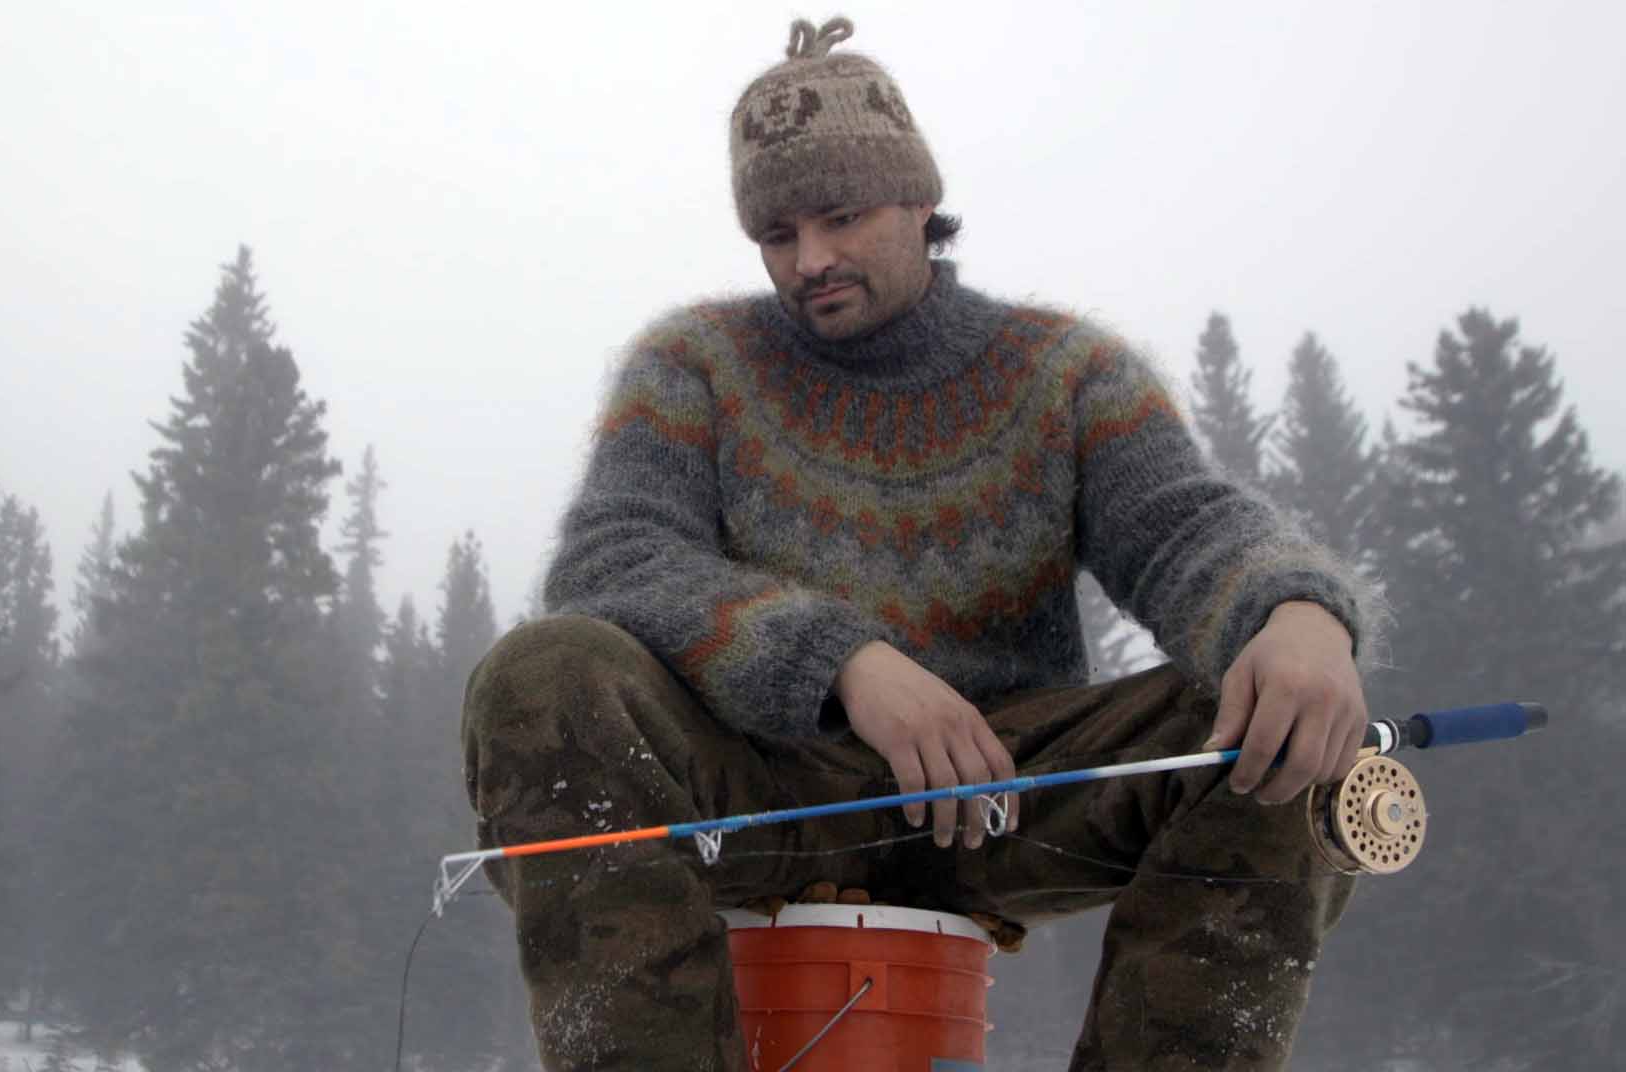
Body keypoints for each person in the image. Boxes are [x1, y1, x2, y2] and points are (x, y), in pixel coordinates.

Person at [462, 16, 1383, 1070]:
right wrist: (847, 663)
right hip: (763, 788)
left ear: (918, 200)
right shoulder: (693, 363)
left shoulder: (1066, 371)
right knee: (542, 673)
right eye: (777, 235)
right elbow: (612, 562)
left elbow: (1185, 525)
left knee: (1296, 730)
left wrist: (1296, 613)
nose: (810, 260)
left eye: (842, 216)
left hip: (996, 797)